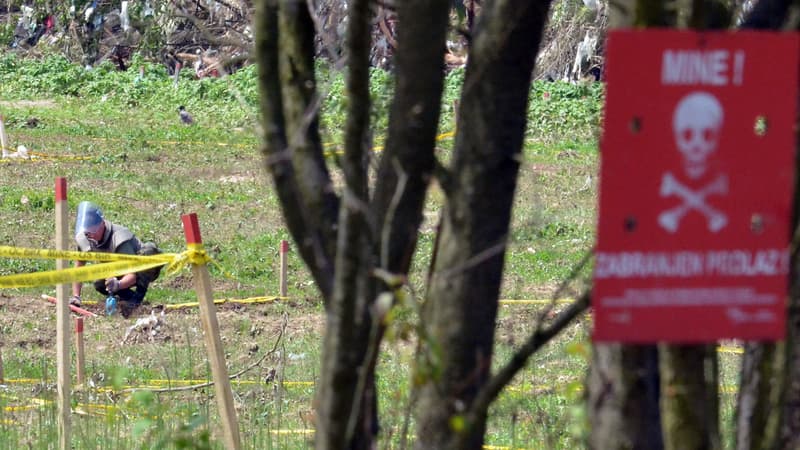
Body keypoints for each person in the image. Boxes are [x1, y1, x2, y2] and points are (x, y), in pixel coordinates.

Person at [70, 201, 161, 315]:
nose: (90, 236)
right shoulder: (85, 237)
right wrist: (76, 296)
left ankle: (137, 298)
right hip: (117, 269)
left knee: (148, 252)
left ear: (102, 224)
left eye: (93, 231)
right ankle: (128, 297)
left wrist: (118, 285)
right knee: (99, 283)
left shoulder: (119, 239)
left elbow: (132, 274)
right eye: (87, 232)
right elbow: (78, 270)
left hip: (143, 268)